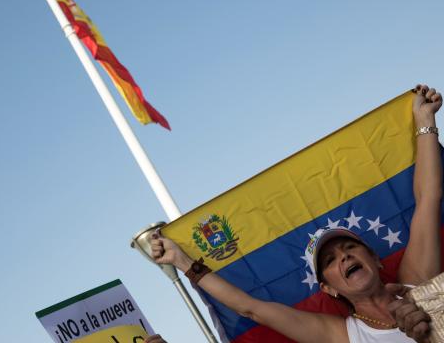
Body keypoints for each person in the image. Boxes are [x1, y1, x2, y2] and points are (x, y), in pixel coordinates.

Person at [151, 85, 442, 343]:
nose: (343, 257)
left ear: (376, 259)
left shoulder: (416, 281)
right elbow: (251, 309)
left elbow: (428, 199)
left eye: (350, 247)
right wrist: (183, 261)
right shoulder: (342, 336)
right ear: (328, 289)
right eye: (330, 260)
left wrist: (425, 121)